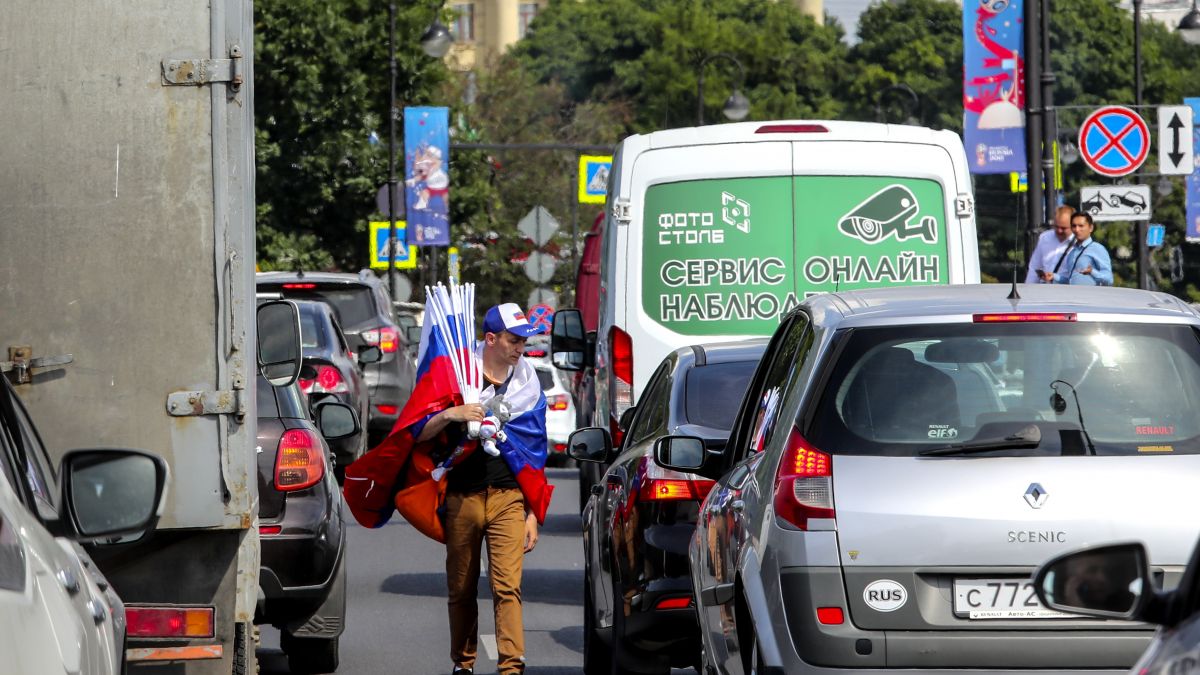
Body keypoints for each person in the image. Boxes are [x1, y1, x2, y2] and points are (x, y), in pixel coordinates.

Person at [410, 303, 547, 675]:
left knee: (507, 588)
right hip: (462, 497)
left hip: (508, 499)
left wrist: (532, 513)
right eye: (513, 340)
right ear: (491, 338)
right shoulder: (455, 377)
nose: (521, 348)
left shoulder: (528, 385)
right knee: (461, 587)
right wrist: (453, 414)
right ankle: (464, 664)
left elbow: (535, 454)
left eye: (523, 342)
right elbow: (418, 432)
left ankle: (510, 667)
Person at [1044, 213, 1112, 286]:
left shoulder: (1097, 249)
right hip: (1074, 296)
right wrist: (1054, 277)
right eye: (1074, 226)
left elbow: (1109, 279)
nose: (1077, 229)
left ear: (1091, 228)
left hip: (1092, 296)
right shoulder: (1072, 253)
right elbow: (1071, 281)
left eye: (1081, 226)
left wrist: (1092, 272)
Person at [1025, 205, 1076, 283]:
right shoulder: (1045, 237)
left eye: (1063, 228)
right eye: (1056, 226)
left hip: (1066, 290)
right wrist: (1028, 289)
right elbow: (1034, 267)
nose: (1059, 231)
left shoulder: (1078, 243)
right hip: (1044, 289)